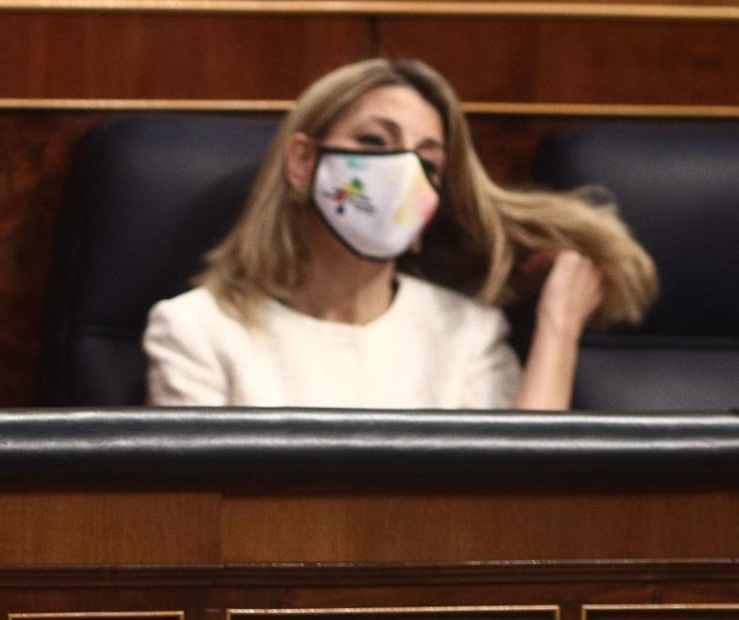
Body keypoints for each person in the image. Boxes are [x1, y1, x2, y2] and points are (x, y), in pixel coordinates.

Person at [143, 59, 656, 409]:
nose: (403, 173)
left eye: (428, 162)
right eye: (374, 141)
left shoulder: (467, 333)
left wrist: (559, 328)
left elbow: (515, 509)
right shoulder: (197, 330)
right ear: (302, 162)